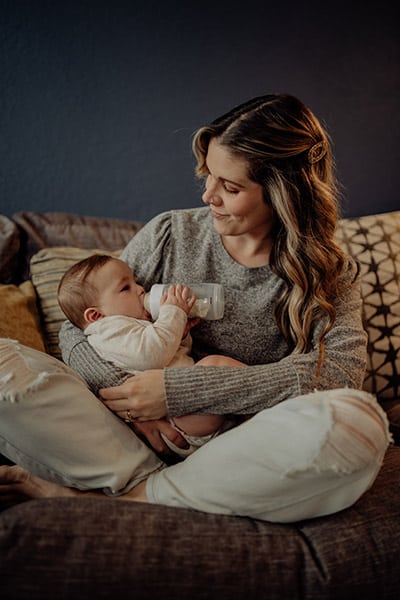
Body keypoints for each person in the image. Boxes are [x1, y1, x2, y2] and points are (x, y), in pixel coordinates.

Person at [0, 93, 391, 522]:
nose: (209, 196)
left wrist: (178, 392)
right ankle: (153, 487)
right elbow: (79, 327)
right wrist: (133, 400)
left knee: (360, 423)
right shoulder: (172, 233)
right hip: (130, 436)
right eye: (208, 176)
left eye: (231, 186)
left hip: (237, 449)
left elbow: (339, 375)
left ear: (285, 195)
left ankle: (124, 498)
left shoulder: (331, 273)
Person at [57, 254, 243, 456]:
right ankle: (271, 402)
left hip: (187, 406)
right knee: (214, 365)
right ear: (96, 316)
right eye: (125, 288)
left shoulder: (128, 324)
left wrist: (179, 334)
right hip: (175, 421)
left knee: (213, 371)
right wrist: (173, 313)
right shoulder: (108, 331)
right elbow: (151, 355)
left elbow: (169, 354)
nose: (140, 289)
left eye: (135, 282)